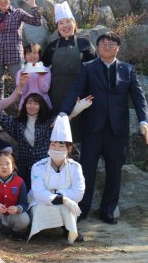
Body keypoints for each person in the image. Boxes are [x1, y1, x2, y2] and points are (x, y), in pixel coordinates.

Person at [60, 33, 148, 224]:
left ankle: (108, 210)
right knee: (86, 170)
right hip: (93, 128)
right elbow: (75, 90)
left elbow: (139, 98)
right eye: (102, 43)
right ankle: (82, 209)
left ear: (118, 47)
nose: (106, 46)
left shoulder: (128, 70)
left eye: (111, 43)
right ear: (97, 48)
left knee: (114, 170)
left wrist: (144, 121)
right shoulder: (87, 68)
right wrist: (63, 114)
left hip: (118, 130)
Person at [28, 115, 85, 244]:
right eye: (53, 145)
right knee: (40, 207)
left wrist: (58, 196)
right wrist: (63, 198)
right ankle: (38, 229)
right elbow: (38, 192)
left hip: (64, 201)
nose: (56, 149)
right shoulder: (38, 166)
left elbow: (78, 192)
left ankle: (69, 229)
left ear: (68, 149)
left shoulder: (75, 167)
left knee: (68, 207)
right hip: (41, 201)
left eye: (61, 146)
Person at [42, 2, 97, 113]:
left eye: (68, 21)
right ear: (57, 27)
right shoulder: (51, 46)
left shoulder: (85, 43)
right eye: (61, 23)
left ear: (74, 23)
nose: (65, 26)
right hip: (56, 97)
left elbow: (95, 69)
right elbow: (41, 69)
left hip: (80, 97)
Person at [0, 151, 30, 240]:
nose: (4, 167)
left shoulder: (20, 182)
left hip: (13, 215)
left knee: (24, 219)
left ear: (13, 166)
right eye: (0, 164)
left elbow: (24, 203)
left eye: (7, 164)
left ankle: (14, 232)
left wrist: (17, 208)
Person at [16, 43, 52, 109]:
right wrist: (22, 82)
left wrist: (42, 76)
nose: (32, 56)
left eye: (35, 53)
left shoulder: (46, 70)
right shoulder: (21, 72)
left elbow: (44, 90)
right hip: (26, 104)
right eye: (29, 53)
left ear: (39, 55)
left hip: (43, 103)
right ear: (25, 56)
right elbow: (22, 93)